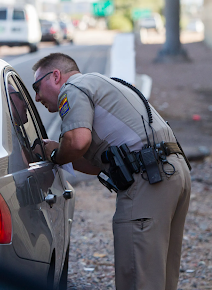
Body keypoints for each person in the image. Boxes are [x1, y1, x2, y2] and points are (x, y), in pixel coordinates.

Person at [32, 53, 191, 290]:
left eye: (37, 86)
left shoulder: (73, 87)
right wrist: (60, 154)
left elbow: (77, 141)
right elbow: (96, 164)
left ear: (56, 76)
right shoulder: (104, 84)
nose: (36, 97)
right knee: (160, 276)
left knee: (138, 278)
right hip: (171, 173)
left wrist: (55, 154)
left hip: (148, 181)